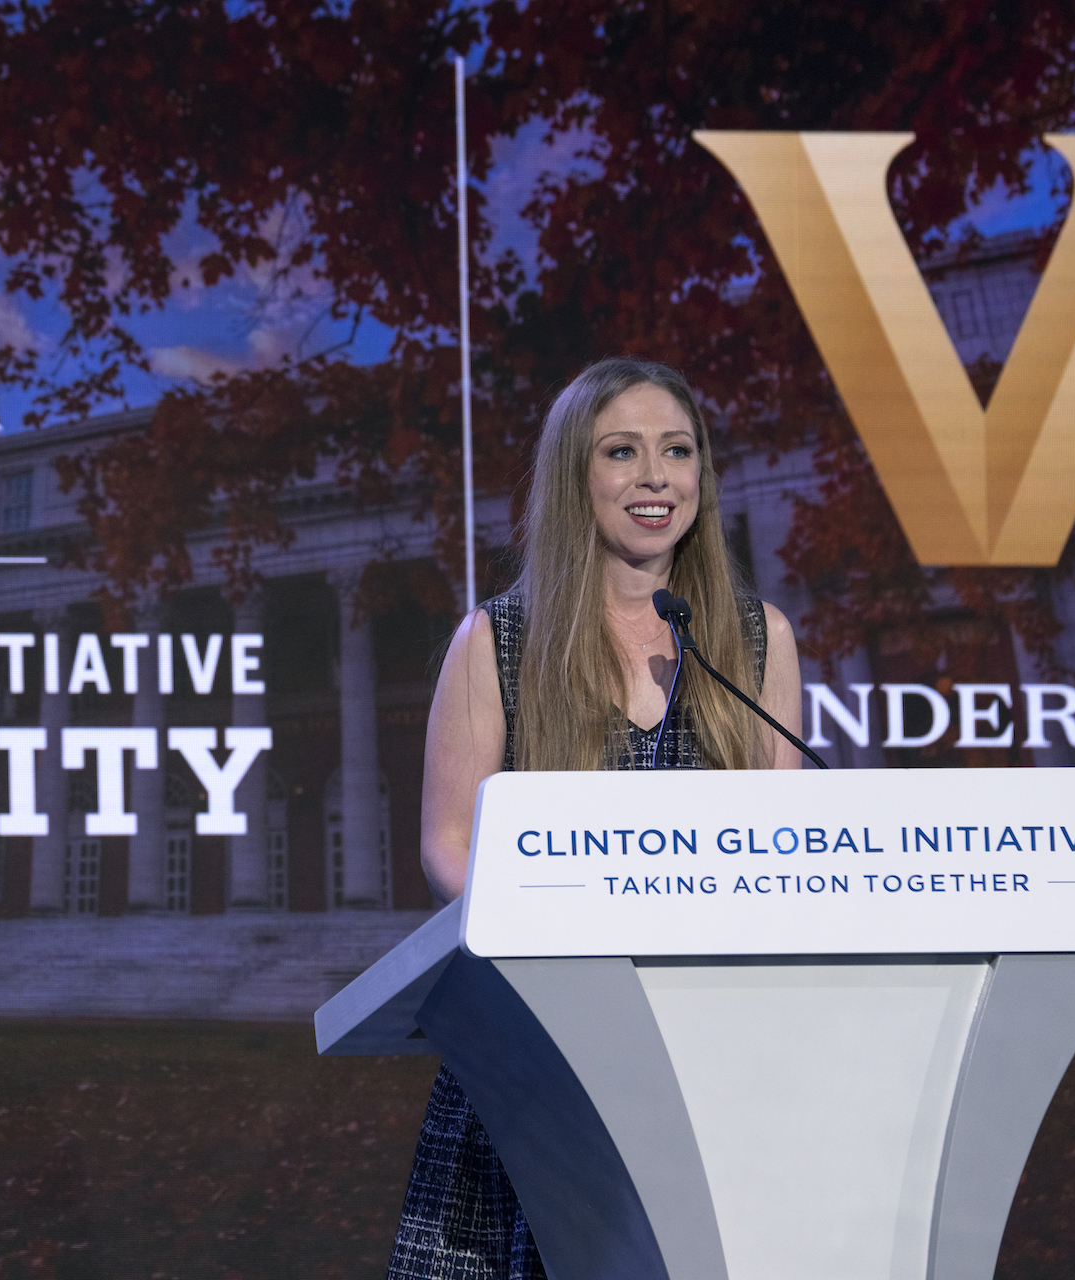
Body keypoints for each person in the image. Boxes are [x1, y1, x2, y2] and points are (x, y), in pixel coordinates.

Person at [388, 357, 803, 1278]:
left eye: (678, 451)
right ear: (577, 476)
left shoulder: (758, 638)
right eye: (623, 451)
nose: (657, 477)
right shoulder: (496, 641)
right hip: (540, 1065)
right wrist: (562, 952)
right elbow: (447, 849)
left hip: (716, 1070)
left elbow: (785, 859)